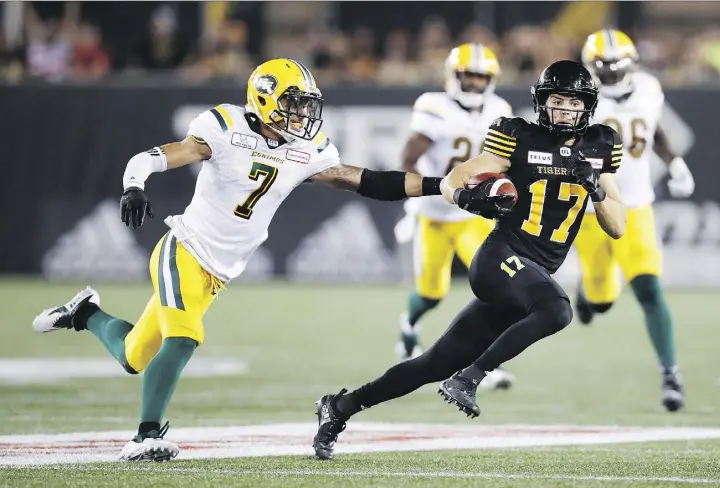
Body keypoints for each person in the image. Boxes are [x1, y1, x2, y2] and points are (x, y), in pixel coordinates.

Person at [31, 58, 443, 462]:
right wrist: (134, 185)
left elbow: (369, 180)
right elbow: (159, 155)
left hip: (218, 272)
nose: (302, 114)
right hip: (185, 249)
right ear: (264, 99)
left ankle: (85, 313)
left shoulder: (305, 149)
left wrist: (443, 186)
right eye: (294, 102)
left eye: (305, 104)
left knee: (134, 356)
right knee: (183, 338)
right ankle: (145, 436)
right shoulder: (224, 128)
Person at [312, 60, 627, 460]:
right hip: (501, 258)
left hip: (529, 276)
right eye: (556, 99)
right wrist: (466, 197)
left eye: (573, 102)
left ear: (588, 106)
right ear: (541, 101)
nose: (564, 109)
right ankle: (472, 377)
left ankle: (339, 408)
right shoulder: (519, 136)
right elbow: (457, 177)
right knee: (558, 309)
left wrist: (594, 187)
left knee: (432, 364)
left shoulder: (601, 145)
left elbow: (617, 225)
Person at [576, 29, 694, 412]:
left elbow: (653, 127)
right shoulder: (578, 98)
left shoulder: (647, 87)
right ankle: (590, 295)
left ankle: (670, 373)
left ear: (631, 64)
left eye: (618, 66)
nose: (611, 73)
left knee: (648, 288)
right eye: (604, 67)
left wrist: (674, 161)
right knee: (602, 300)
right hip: (590, 209)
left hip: (636, 206)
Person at [394, 43, 515, 390]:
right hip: (434, 213)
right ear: (454, 76)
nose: (476, 83)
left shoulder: (499, 109)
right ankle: (410, 323)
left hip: (472, 216)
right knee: (432, 294)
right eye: (469, 75)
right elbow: (408, 159)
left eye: (482, 76)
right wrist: (420, 196)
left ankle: (485, 364)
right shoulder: (433, 106)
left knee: (498, 288)